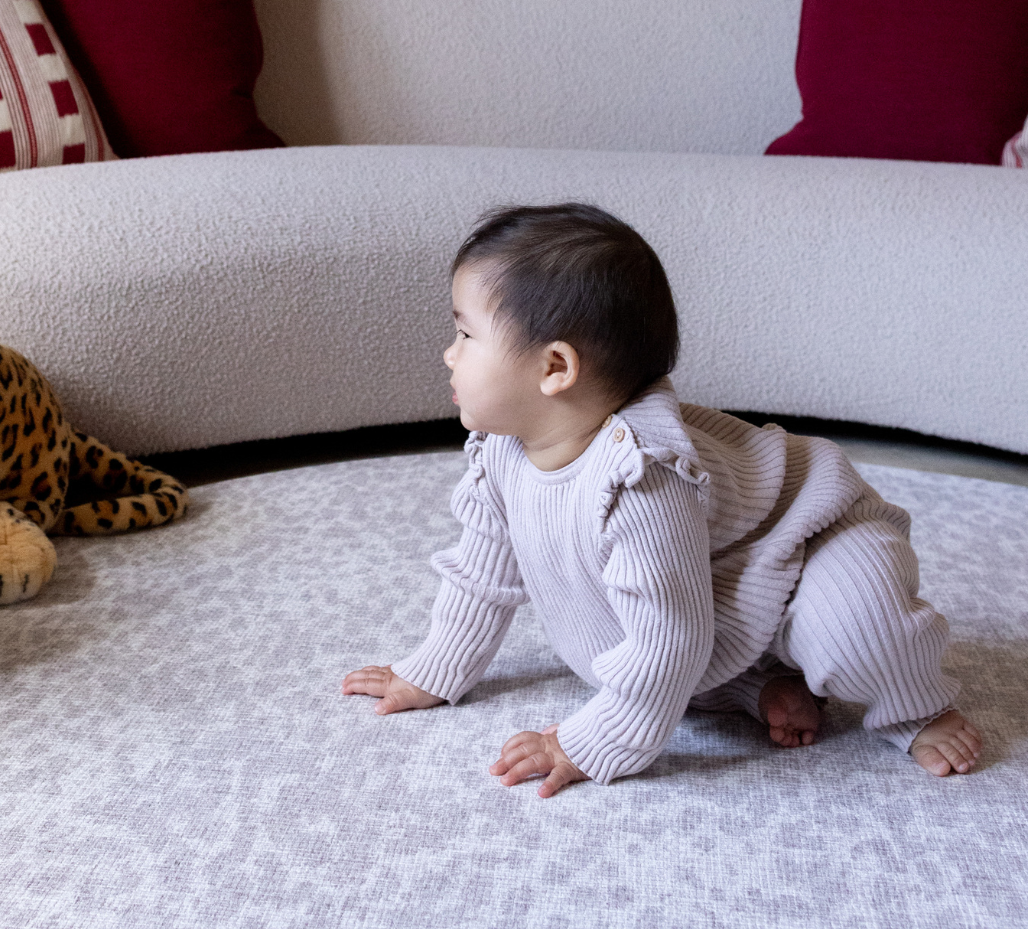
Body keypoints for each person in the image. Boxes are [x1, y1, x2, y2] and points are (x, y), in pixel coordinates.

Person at [342, 202, 981, 795]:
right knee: (618, 652)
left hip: (815, 540)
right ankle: (761, 680)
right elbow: (481, 574)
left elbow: (669, 643)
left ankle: (919, 707)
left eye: (466, 335)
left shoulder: (642, 479)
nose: (448, 354)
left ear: (555, 369)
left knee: (855, 632)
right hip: (722, 589)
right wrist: (433, 672)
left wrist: (592, 743)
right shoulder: (501, 448)